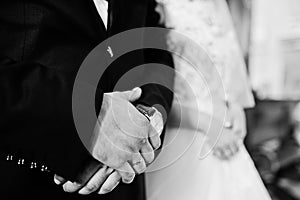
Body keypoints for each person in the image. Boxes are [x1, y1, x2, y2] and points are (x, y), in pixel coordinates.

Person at [0, 0, 173, 199]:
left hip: (125, 181)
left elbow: (155, 47)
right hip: (24, 177)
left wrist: (148, 112)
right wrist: (89, 116)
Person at [145, 0, 272, 199]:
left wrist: (235, 105)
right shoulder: (154, 6)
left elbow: (227, 58)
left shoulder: (212, 4)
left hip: (225, 133)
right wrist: (209, 125)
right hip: (180, 136)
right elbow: (151, 91)